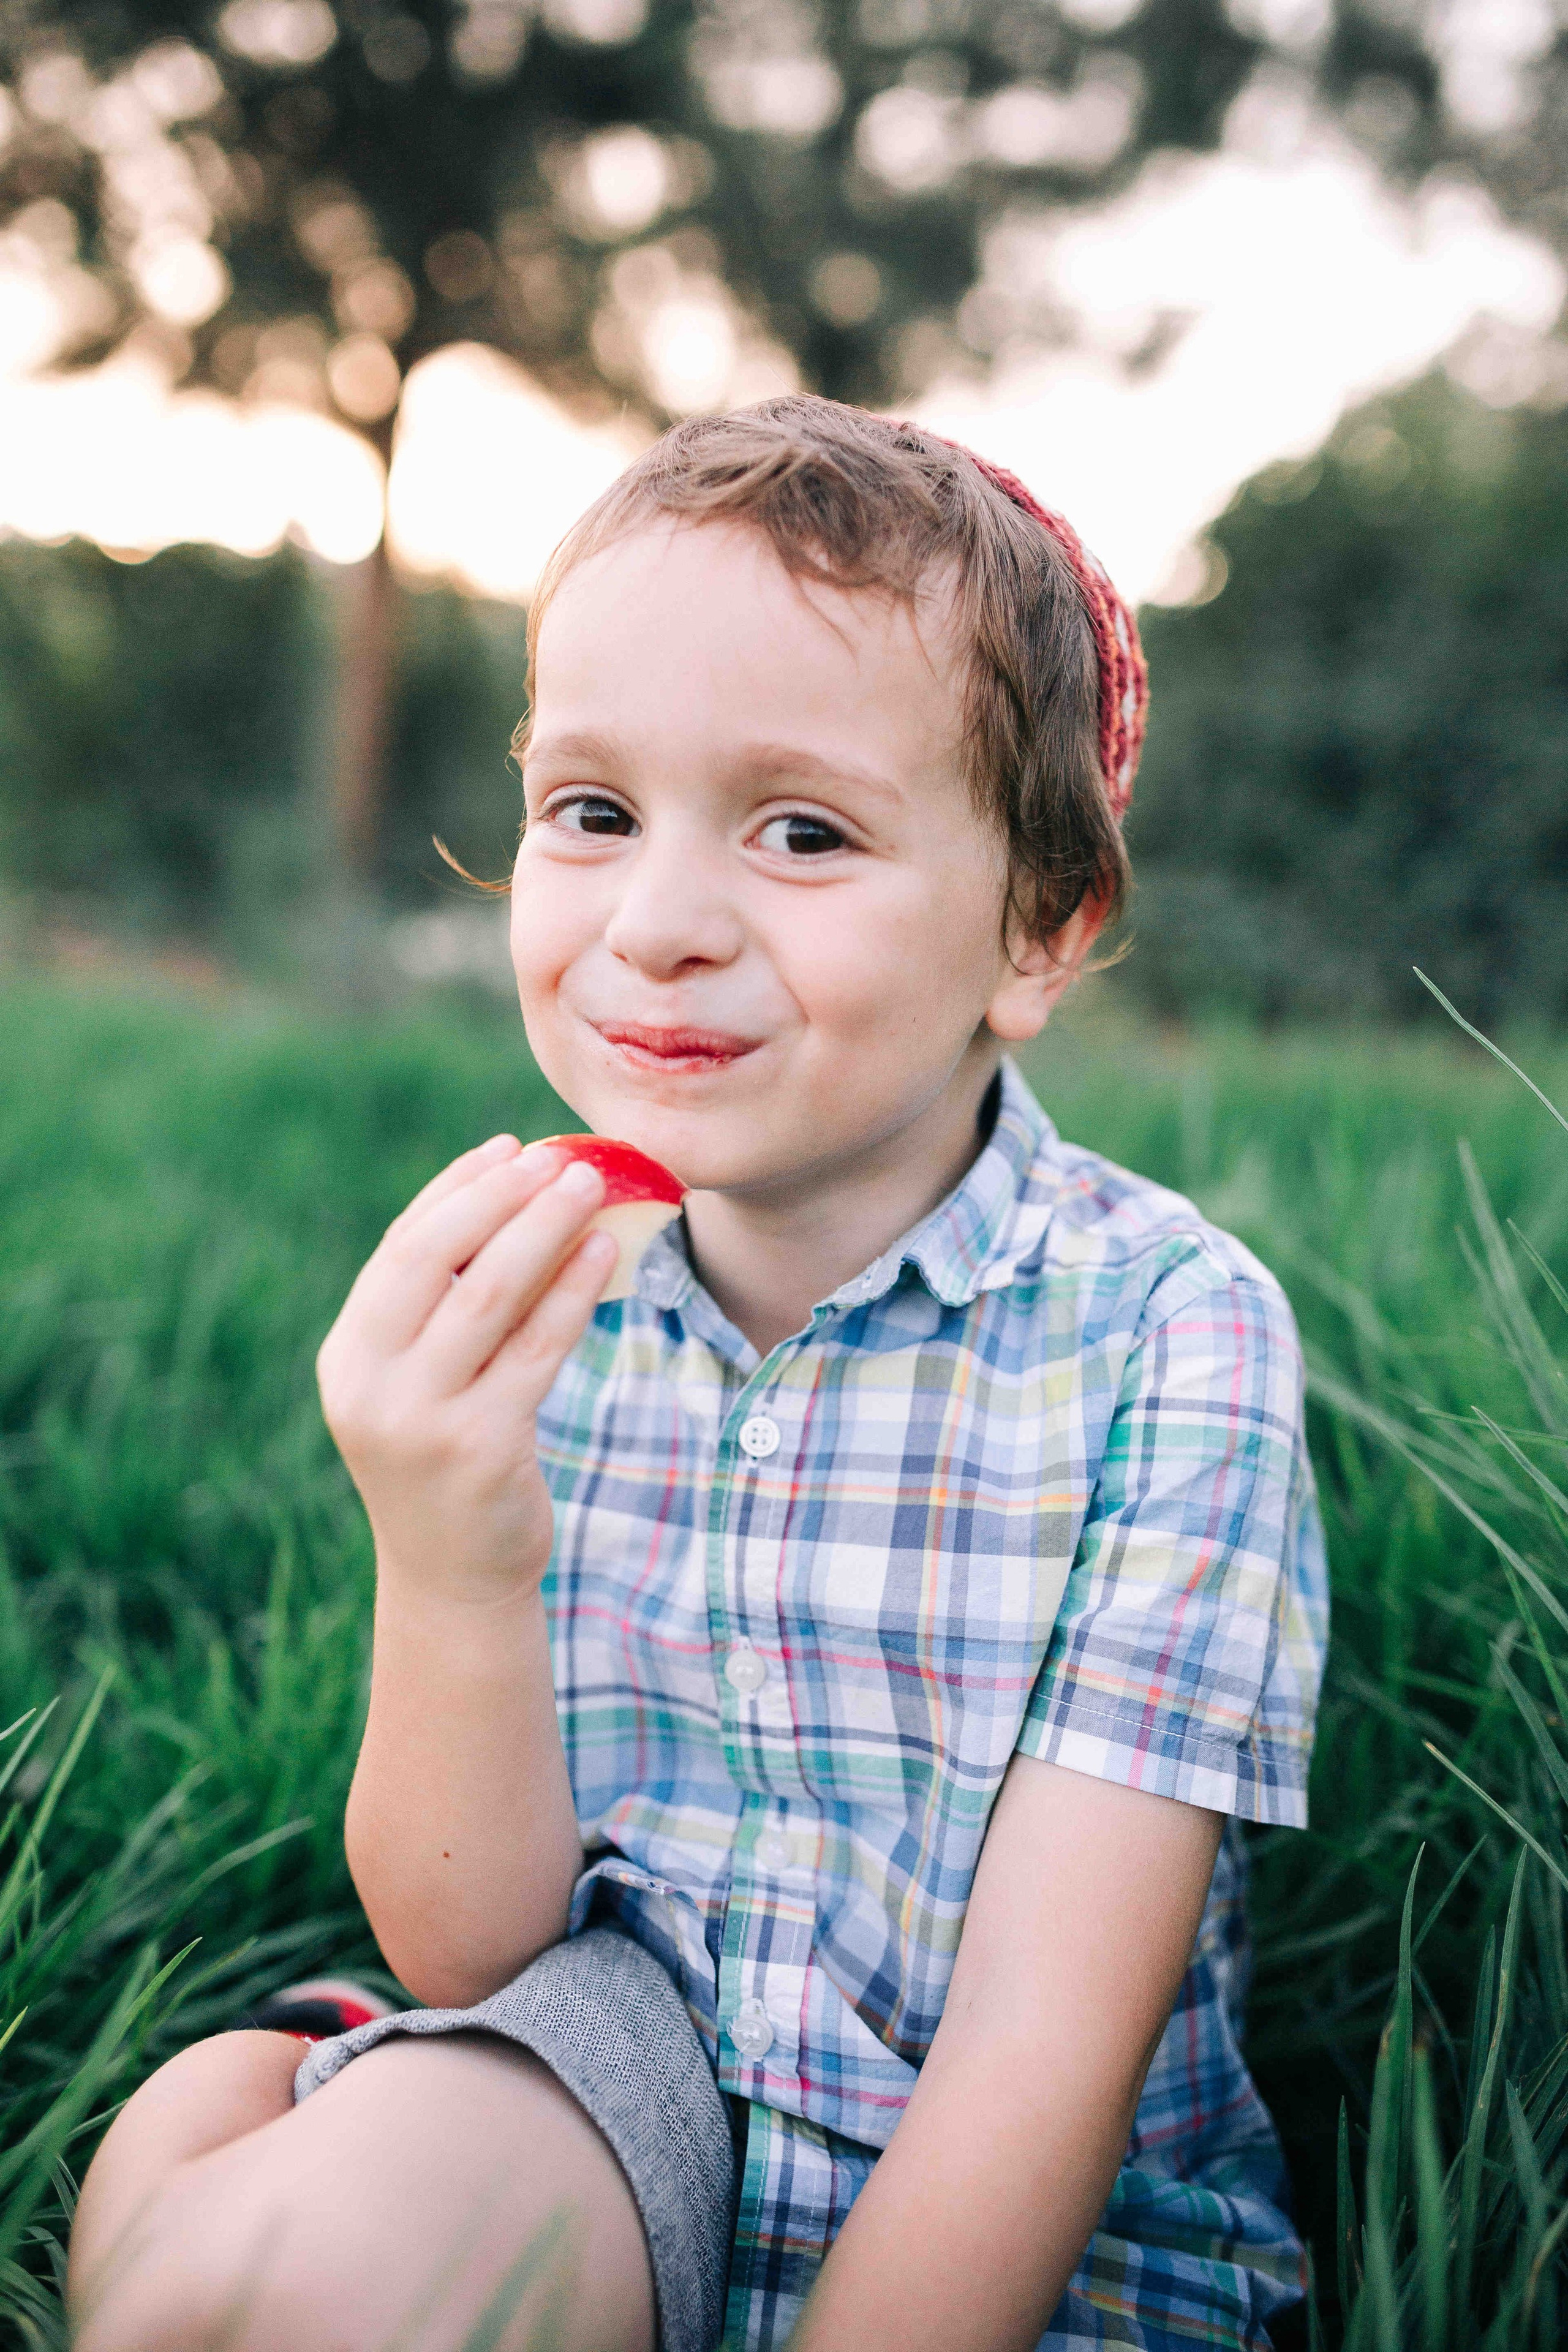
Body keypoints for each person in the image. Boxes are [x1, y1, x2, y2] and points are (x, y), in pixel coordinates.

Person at [66, 399, 1327, 2352]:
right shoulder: (550, 1298)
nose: (655, 927)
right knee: (209, 2193)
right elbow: (475, 1941)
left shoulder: (1166, 1332)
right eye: (590, 812)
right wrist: (447, 1542)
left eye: (802, 830)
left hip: (995, 2213)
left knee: (258, 2218)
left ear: (1038, 927)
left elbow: (1041, 2056)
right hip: (613, 2078)